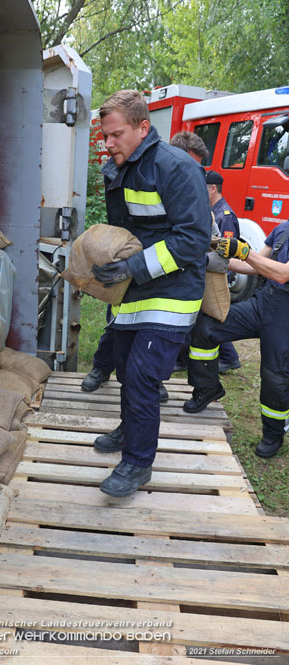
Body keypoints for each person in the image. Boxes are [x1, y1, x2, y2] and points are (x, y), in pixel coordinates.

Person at [90, 90, 211, 497]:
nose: (108, 145)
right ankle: (131, 428)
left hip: (173, 292)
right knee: (125, 367)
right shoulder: (121, 167)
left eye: (115, 135)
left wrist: (131, 267)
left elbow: (193, 240)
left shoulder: (175, 167)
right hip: (136, 289)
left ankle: (138, 463)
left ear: (144, 127)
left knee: (142, 375)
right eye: (104, 137)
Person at [81, 130, 210, 394]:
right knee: (115, 331)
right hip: (130, 285)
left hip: (163, 286)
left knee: (144, 367)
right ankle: (102, 368)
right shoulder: (150, 172)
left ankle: (149, 381)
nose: (193, 173)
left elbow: (196, 237)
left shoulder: (189, 188)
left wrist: (134, 266)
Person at [183, 222, 289, 458]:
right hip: (265, 302)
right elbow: (256, 266)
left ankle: (273, 434)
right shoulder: (284, 228)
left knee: (275, 375)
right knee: (206, 326)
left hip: (286, 315)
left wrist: (244, 251)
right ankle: (207, 387)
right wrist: (213, 258)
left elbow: (283, 274)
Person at [205, 170, 241, 373]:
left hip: (219, 274)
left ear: (212, 188)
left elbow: (227, 253)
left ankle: (229, 357)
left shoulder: (224, 216)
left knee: (216, 316)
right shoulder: (212, 211)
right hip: (211, 270)